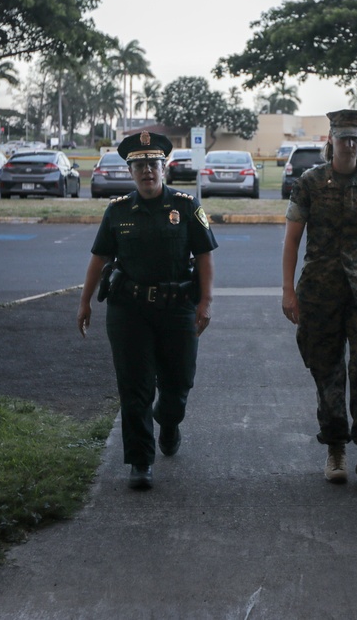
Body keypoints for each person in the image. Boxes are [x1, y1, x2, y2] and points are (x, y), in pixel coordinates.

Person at [77, 131, 217, 490]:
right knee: (134, 388)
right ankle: (140, 460)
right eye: (139, 166)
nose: (147, 172)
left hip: (178, 309)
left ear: (164, 167)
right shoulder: (118, 210)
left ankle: (168, 423)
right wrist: (84, 301)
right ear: (131, 171)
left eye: (152, 164)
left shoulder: (187, 207)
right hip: (130, 311)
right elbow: (99, 258)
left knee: (178, 383)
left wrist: (206, 302)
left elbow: (204, 256)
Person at [281, 109, 357, 493]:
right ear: (331, 140)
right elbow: (292, 239)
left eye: (356, 138)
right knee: (328, 371)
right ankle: (335, 448)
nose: (350, 145)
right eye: (344, 138)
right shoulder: (310, 183)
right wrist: (288, 290)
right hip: (320, 292)